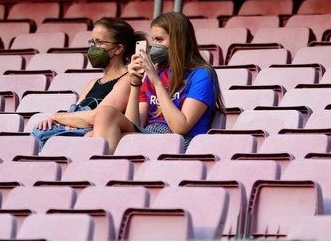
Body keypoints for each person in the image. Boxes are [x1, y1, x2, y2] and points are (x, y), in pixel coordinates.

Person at [91, 12, 226, 154]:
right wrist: (135, 83)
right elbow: (136, 125)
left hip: (180, 141)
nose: (154, 45)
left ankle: (107, 169)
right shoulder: (155, 73)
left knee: (105, 136)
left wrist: (157, 82)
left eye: (159, 39)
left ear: (178, 40)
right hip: (148, 135)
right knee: (103, 115)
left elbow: (180, 128)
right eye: (153, 40)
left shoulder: (201, 74)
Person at [31, 17, 148, 151]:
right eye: (92, 41)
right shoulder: (92, 83)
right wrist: (54, 121)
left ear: (118, 49)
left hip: (87, 137)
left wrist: (57, 116)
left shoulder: (127, 79)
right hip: (70, 133)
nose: (93, 47)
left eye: (99, 42)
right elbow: (74, 115)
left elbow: (95, 117)